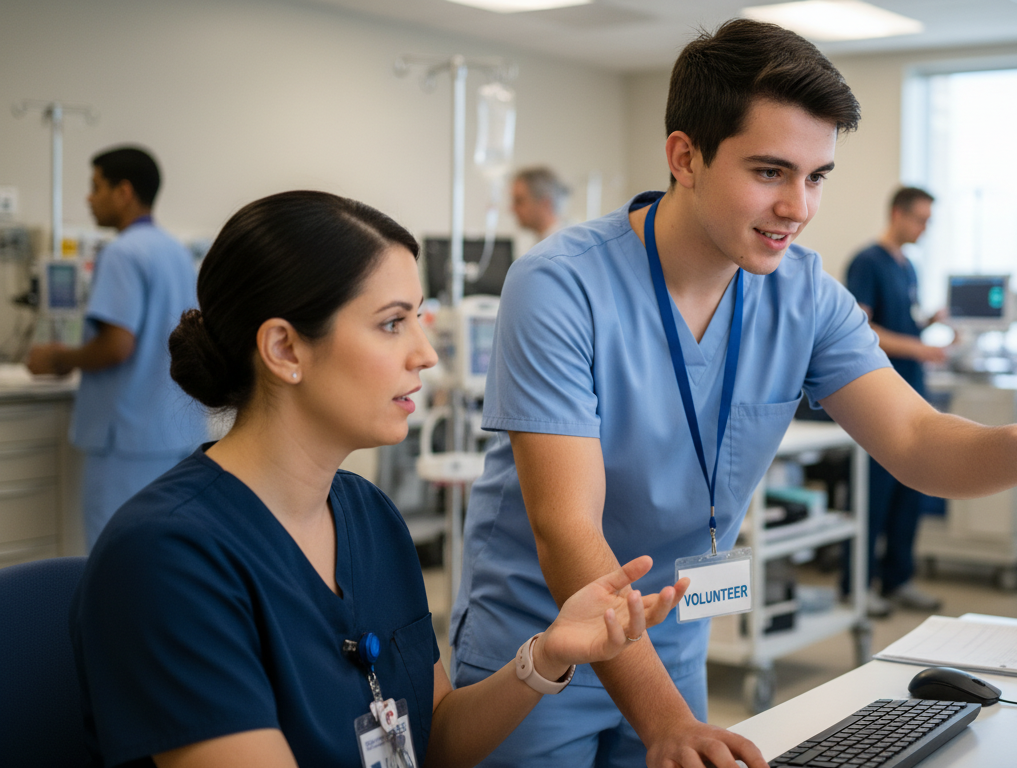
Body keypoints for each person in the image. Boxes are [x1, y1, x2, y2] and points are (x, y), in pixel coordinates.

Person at [450, 19, 1017, 768]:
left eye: (816, 177)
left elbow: (915, 441)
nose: (799, 207)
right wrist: (664, 723)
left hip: (671, 645)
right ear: (685, 157)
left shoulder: (805, 295)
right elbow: (567, 533)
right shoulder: (563, 285)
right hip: (538, 650)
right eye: (770, 172)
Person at [70, 190, 689, 768]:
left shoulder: (367, 515)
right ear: (285, 349)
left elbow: (434, 734)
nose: (426, 353)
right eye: (393, 323)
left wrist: (547, 655)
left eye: (420, 319)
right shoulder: (169, 556)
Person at [25, 146, 207, 549]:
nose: (89, 199)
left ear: (124, 192)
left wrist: (57, 358)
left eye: (95, 187)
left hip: (128, 441)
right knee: (169, 553)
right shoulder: (175, 251)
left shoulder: (123, 253)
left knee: (116, 555)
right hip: (179, 433)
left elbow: (117, 345)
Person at [844, 186, 946, 616]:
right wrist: (919, 348)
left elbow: (902, 322)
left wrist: (929, 326)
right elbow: (862, 329)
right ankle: (858, 585)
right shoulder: (867, 262)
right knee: (874, 495)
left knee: (911, 491)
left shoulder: (909, 268)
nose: (924, 229)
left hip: (912, 394)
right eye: (920, 219)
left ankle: (897, 579)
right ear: (897, 214)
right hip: (879, 398)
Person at [511, 166, 569, 241]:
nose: (513, 209)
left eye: (519, 201)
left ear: (545, 203)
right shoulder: (544, 243)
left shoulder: (562, 246)